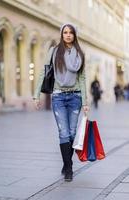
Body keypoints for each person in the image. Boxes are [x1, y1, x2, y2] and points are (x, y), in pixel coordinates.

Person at [33, 23, 89, 182]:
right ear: (62, 34)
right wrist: (36, 95)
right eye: (65, 32)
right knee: (63, 133)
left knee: (71, 133)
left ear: (75, 35)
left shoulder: (80, 54)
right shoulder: (53, 51)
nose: (68, 35)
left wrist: (85, 102)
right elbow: (44, 73)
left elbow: (83, 79)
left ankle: (66, 163)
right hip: (58, 96)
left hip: (75, 97)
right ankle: (69, 167)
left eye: (71, 32)